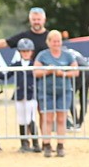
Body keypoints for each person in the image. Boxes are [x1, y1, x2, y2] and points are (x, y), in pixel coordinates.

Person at [33, 29, 78, 157]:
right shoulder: (42, 55)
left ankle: (60, 145)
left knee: (61, 118)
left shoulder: (68, 55)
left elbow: (76, 71)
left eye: (58, 41)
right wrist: (48, 71)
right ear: (48, 42)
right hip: (46, 91)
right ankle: (46, 144)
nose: (56, 44)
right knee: (47, 118)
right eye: (54, 41)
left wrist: (62, 74)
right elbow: (36, 72)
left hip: (63, 91)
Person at [7, 38, 39, 153]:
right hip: (20, 94)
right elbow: (5, 75)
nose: (25, 53)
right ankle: (24, 143)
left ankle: (36, 143)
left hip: (31, 94)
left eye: (28, 51)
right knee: (21, 119)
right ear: (20, 52)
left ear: (31, 52)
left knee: (31, 118)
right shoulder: (16, 65)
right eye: (23, 51)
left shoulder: (35, 64)